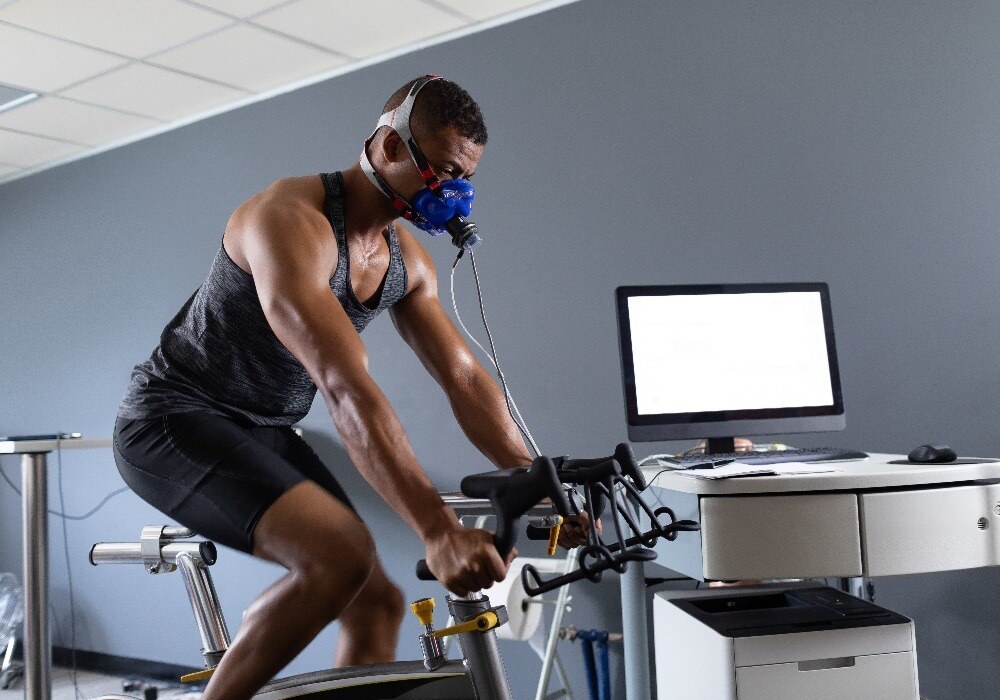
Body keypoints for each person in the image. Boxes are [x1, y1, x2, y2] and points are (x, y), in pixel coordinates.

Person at [112, 76, 591, 699]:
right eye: (441, 172)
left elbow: (465, 380)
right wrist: (439, 530)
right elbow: (344, 386)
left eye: (463, 176)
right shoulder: (288, 223)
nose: (454, 193)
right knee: (338, 558)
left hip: (263, 427)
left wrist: (539, 482)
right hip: (172, 420)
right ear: (389, 147)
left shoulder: (405, 261)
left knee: (375, 605)